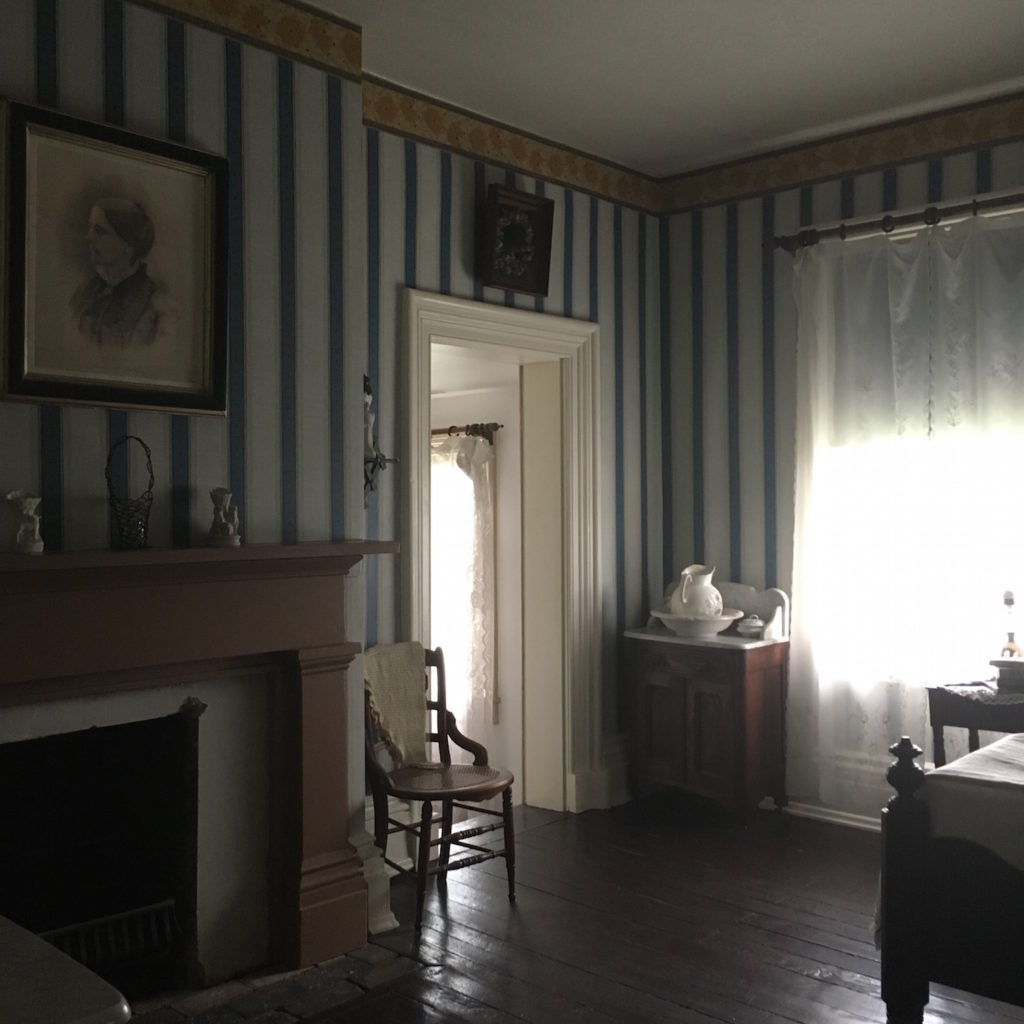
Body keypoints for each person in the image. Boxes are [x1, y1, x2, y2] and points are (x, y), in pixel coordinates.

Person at [69, 197, 160, 347]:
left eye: (99, 231)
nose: (88, 238)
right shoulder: (84, 292)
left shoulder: (152, 304)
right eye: (90, 228)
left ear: (129, 245)